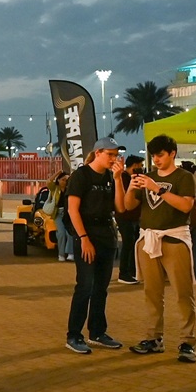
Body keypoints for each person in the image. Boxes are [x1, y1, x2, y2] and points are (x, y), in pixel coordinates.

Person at [120, 134, 196, 363]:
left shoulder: (184, 177)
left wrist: (158, 189)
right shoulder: (147, 177)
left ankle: (187, 341)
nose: (156, 160)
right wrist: (130, 187)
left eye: (160, 155)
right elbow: (128, 206)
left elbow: (185, 206)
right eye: (153, 155)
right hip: (148, 239)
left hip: (175, 238)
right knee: (151, 293)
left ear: (172, 153)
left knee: (183, 293)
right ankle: (153, 337)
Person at [64, 139, 127, 354]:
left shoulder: (111, 176)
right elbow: (73, 210)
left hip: (106, 235)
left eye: (116, 155)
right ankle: (74, 334)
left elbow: (121, 206)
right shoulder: (81, 176)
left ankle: (98, 331)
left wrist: (118, 179)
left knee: (101, 287)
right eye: (110, 154)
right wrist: (83, 238)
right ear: (98, 152)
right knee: (85, 286)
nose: (114, 159)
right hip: (87, 234)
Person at [115, 154, 143, 282]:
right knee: (128, 243)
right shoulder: (123, 178)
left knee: (133, 243)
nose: (141, 168)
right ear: (135, 166)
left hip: (134, 217)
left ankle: (132, 270)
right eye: (140, 166)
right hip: (125, 216)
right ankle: (124, 272)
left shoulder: (130, 178)